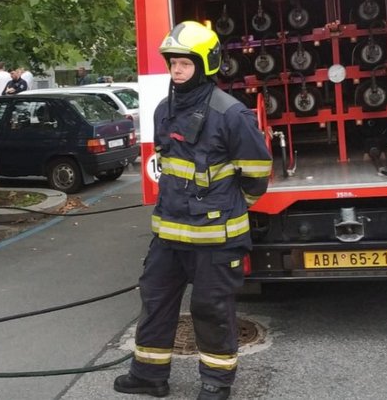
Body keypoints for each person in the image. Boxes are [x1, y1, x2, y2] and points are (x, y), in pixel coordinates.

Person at [114, 21, 272, 400]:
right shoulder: (163, 110)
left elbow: (257, 174)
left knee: (211, 309)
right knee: (155, 299)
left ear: (205, 65)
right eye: (173, 63)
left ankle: (217, 384)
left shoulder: (232, 114)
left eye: (185, 63)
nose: (177, 71)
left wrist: (230, 207)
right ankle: (149, 376)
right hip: (169, 236)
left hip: (216, 239)